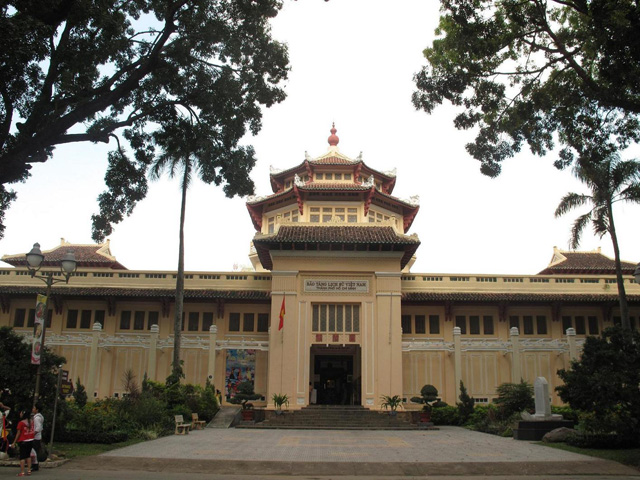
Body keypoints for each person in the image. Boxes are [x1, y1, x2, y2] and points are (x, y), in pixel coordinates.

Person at [11, 409, 35, 476]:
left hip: (23, 441)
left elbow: (18, 433)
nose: (20, 414)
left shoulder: (21, 423)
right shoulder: (31, 422)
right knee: (28, 455)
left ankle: (22, 472)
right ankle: (29, 470)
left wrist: (14, 442)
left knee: (22, 457)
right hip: (30, 440)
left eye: (21, 413)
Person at [30, 404, 44, 471]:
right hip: (37, 437)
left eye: (34, 408)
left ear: (37, 410)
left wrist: (33, 434)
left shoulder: (37, 418)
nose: (33, 409)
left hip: (35, 437)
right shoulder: (39, 417)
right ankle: (35, 464)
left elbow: (38, 428)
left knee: (34, 452)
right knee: (35, 451)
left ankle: (35, 465)